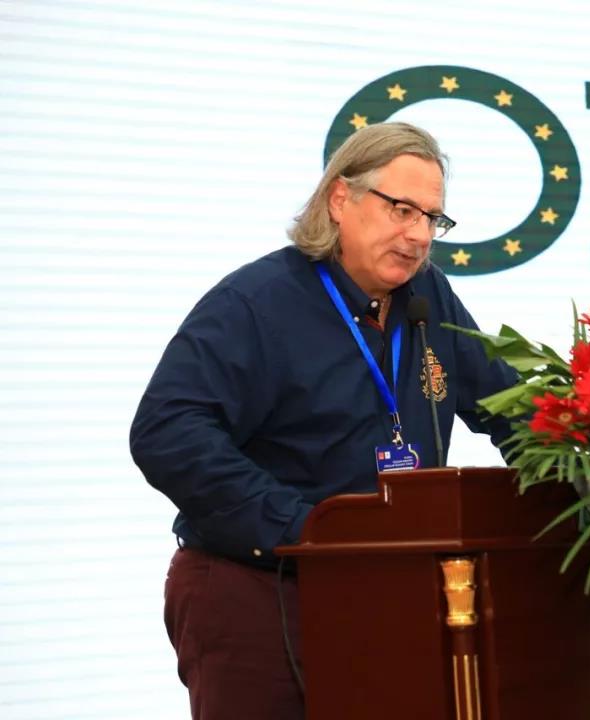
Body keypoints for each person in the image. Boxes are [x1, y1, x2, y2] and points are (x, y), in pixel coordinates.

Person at [129, 122, 518, 720]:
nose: (418, 235)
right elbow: (167, 431)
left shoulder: (428, 296)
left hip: (385, 589)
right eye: (402, 210)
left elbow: (509, 406)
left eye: (432, 219)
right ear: (341, 199)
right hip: (260, 591)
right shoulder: (257, 302)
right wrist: (304, 529)